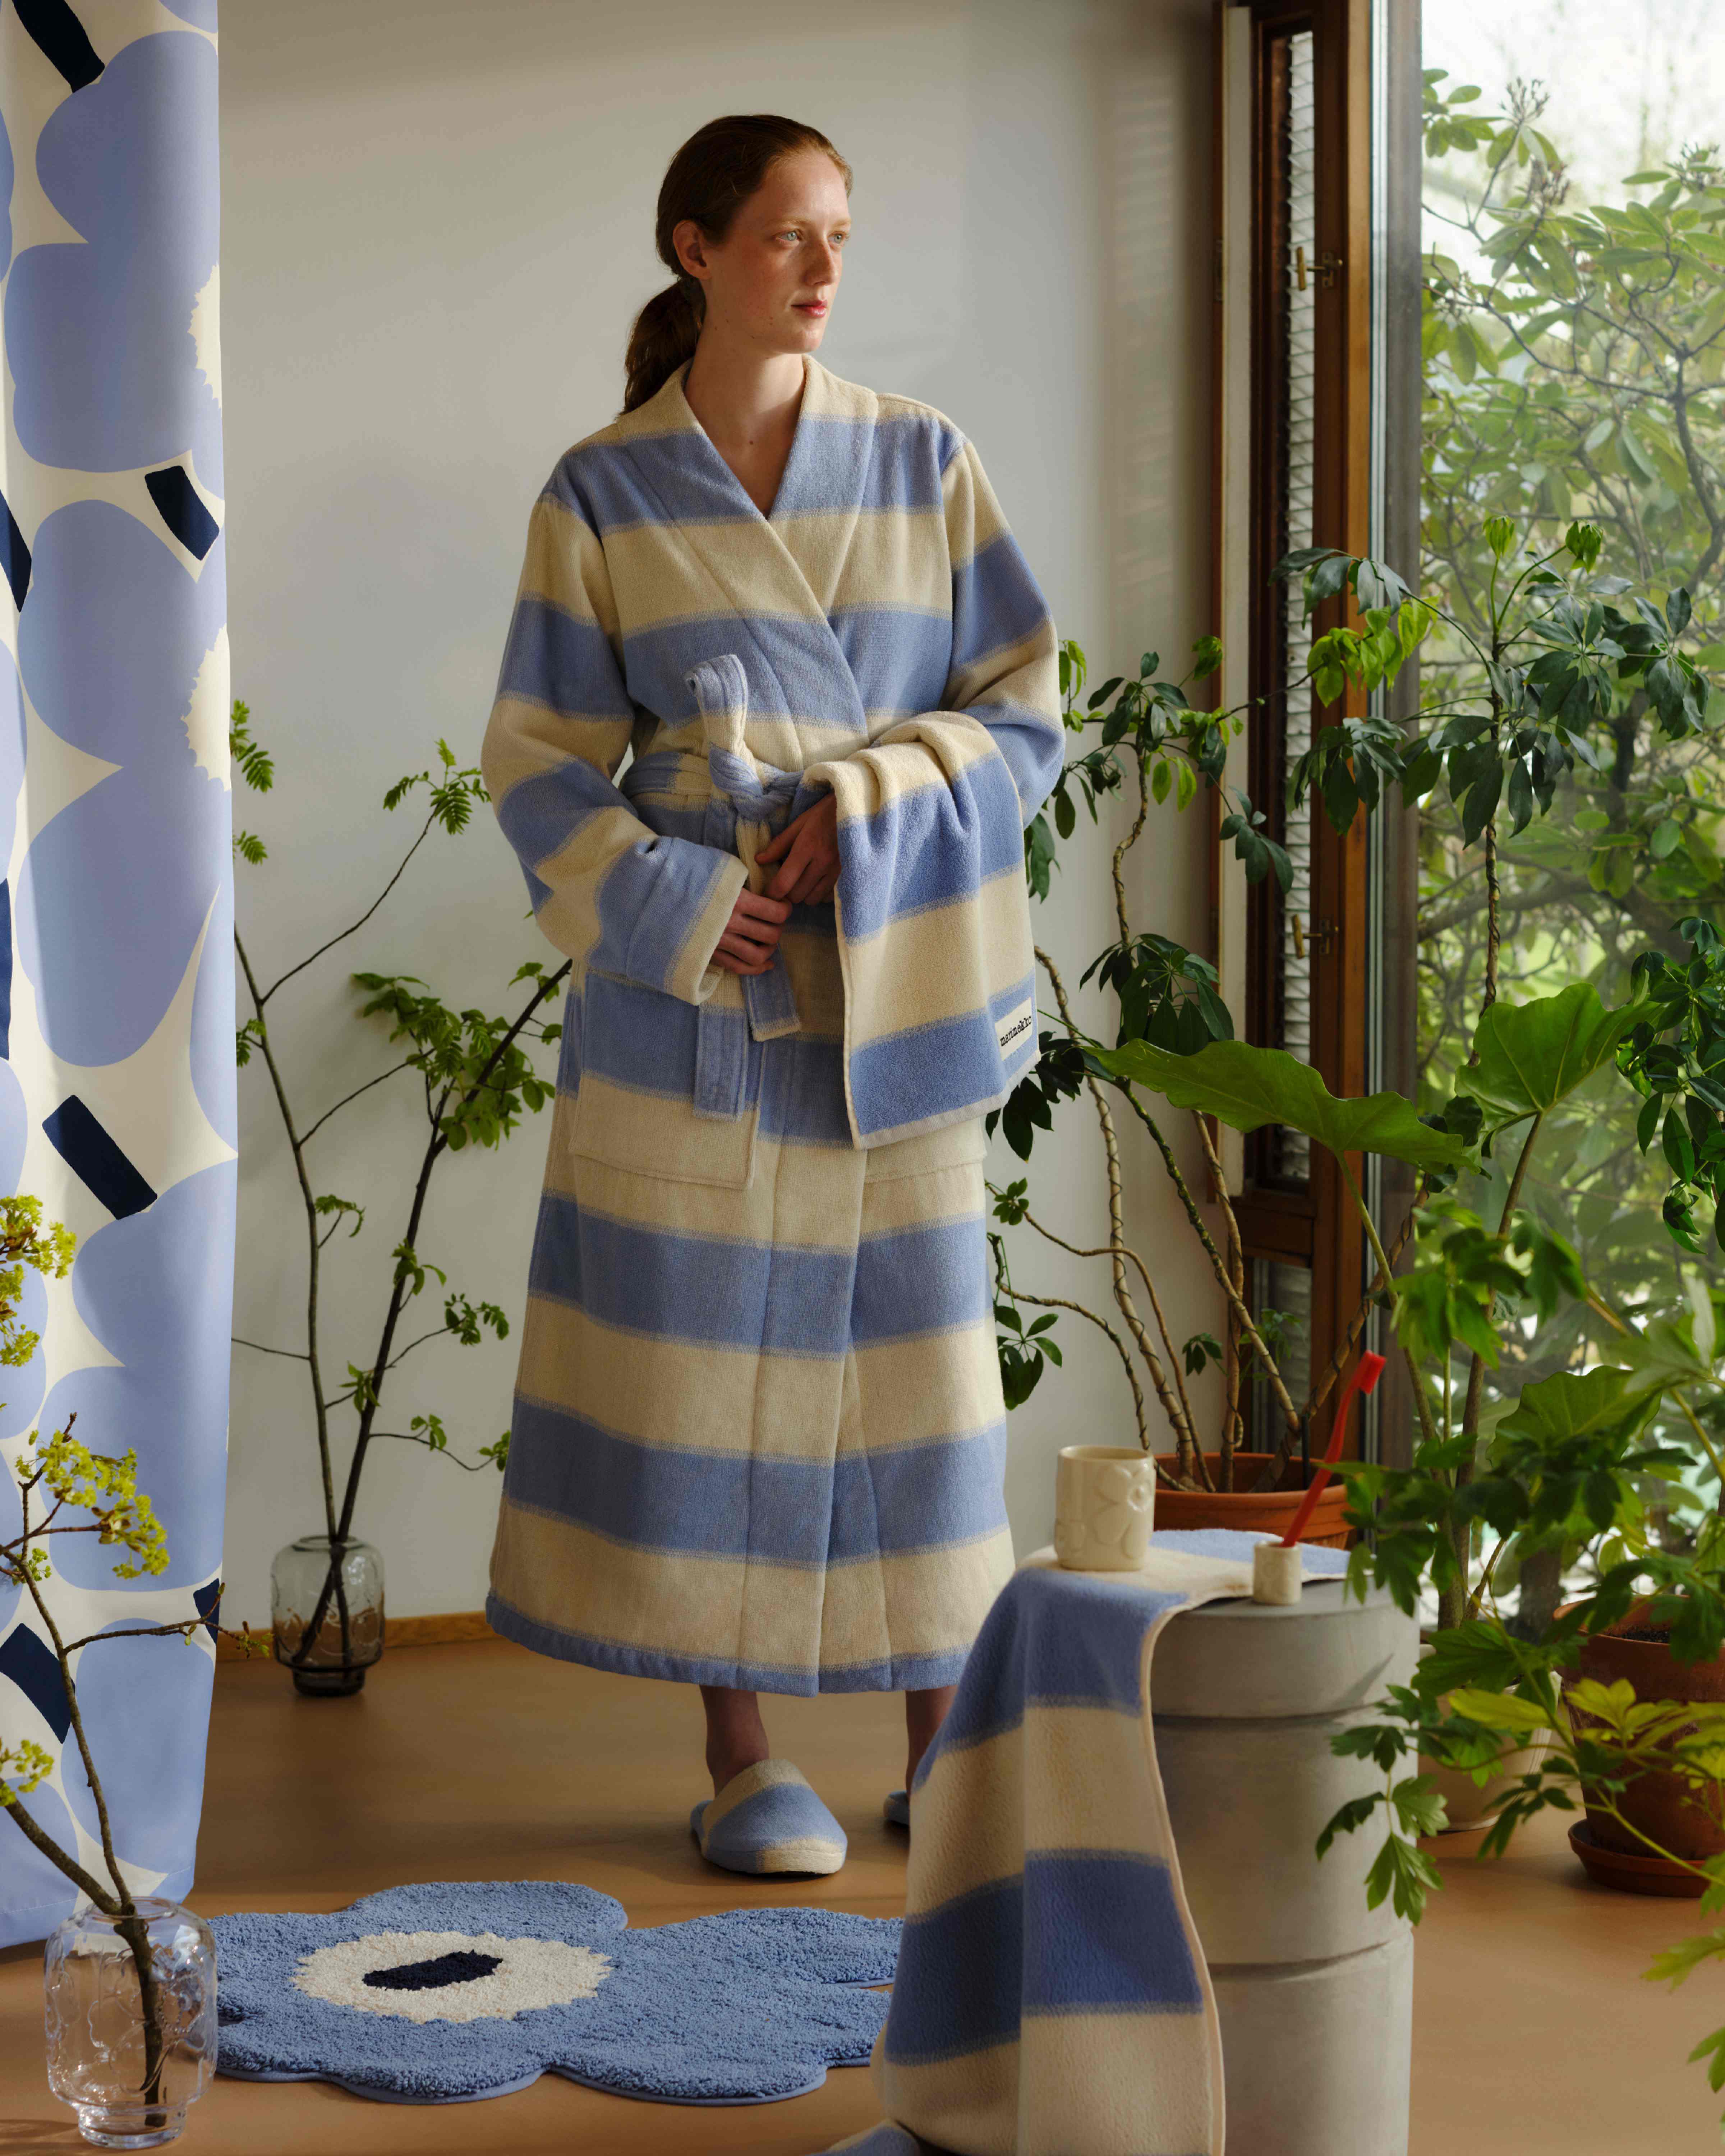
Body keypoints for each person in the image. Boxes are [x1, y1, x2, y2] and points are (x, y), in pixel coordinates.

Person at [482, 112, 1061, 1878]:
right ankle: (738, 1761)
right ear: (698, 247)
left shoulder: (923, 459)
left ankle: (945, 1750)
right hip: (705, 999)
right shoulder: (602, 489)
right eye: (789, 234)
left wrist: (865, 804)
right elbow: (537, 758)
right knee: (700, 1373)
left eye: (840, 238)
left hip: (892, 979)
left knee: (916, 1386)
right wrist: (681, 899)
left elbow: (1022, 711)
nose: (822, 267)